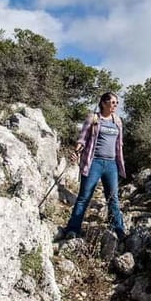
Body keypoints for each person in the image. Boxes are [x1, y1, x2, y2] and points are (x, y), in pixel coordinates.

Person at [59, 92, 126, 241]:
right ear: (103, 103)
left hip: (111, 164)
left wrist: (120, 162)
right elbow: (82, 138)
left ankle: (118, 229)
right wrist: (76, 152)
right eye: (113, 102)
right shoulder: (93, 118)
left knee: (113, 198)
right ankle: (73, 229)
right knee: (84, 197)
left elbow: (119, 143)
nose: (115, 105)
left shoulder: (118, 121)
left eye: (116, 103)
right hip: (93, 162)